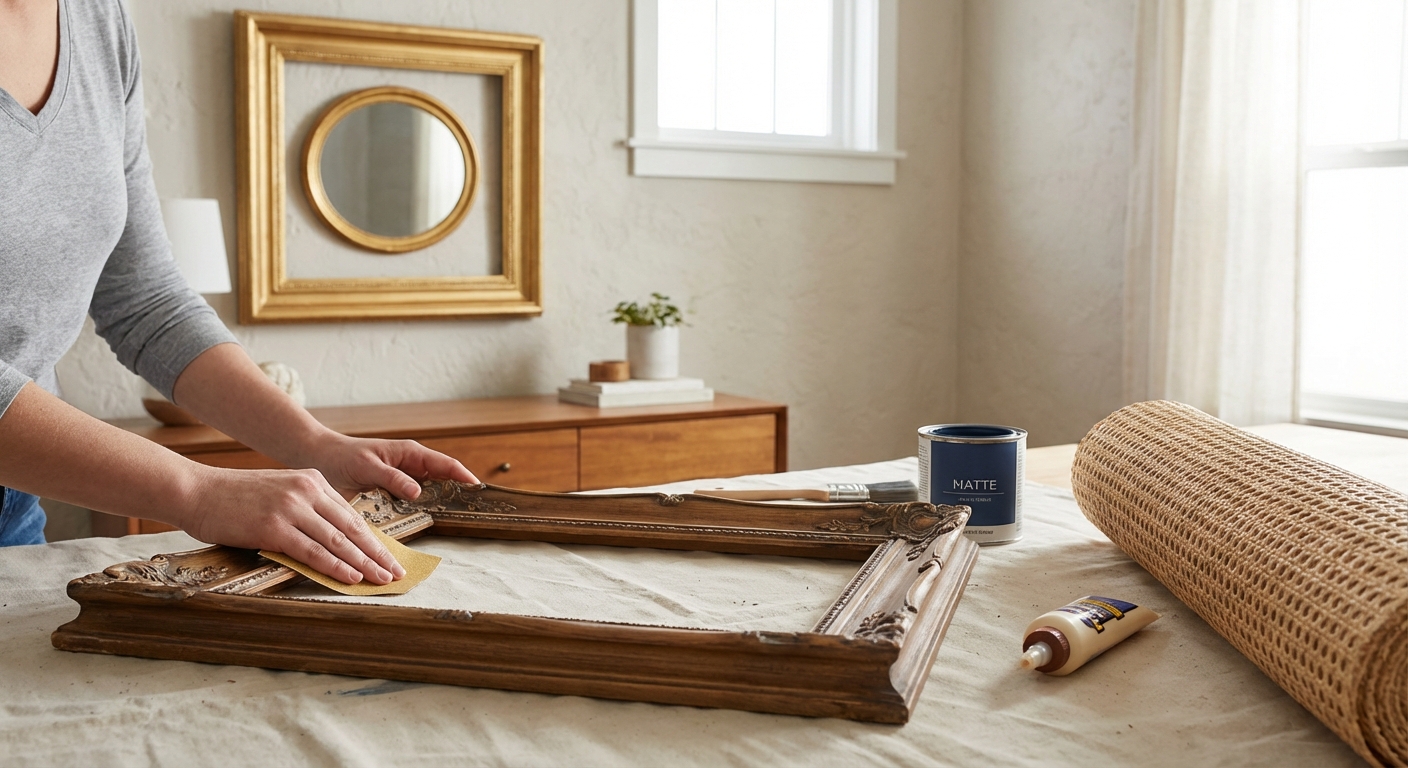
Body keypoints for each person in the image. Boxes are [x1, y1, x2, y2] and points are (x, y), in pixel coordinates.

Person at [0, 0, 478, 584]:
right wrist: (198, 491)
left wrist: (315, 444)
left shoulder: (98, 21)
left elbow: (145, 301)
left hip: (13, 501)